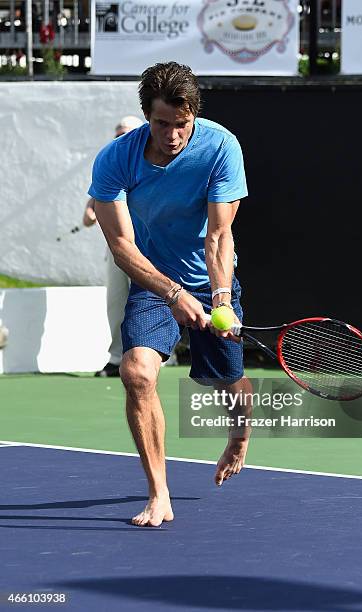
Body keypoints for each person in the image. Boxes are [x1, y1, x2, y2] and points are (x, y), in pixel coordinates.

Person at [89, 61, 253, 527]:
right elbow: (121, 246)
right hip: (153, 279)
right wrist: (172, 291)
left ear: (193, 115)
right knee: (136, 371)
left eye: (182, 124)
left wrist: (219, 297)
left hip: (210, 276)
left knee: (227, 380)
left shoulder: (221, 146)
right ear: (146, 116)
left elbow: (219, 236)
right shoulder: (115, 158)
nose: (173, 135)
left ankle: (240, 434)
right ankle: (159, 493)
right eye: (162, 123)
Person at [83, 116, 144, 377]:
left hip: (151, 247)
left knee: (150, 301)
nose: (121, 139)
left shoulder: (149, 163)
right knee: (117, 302)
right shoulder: (112, 164)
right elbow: (93, 205)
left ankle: (162, 355)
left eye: (127, 133)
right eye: (117, 134)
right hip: (117, 247)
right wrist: (90, 211)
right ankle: (117, 358)